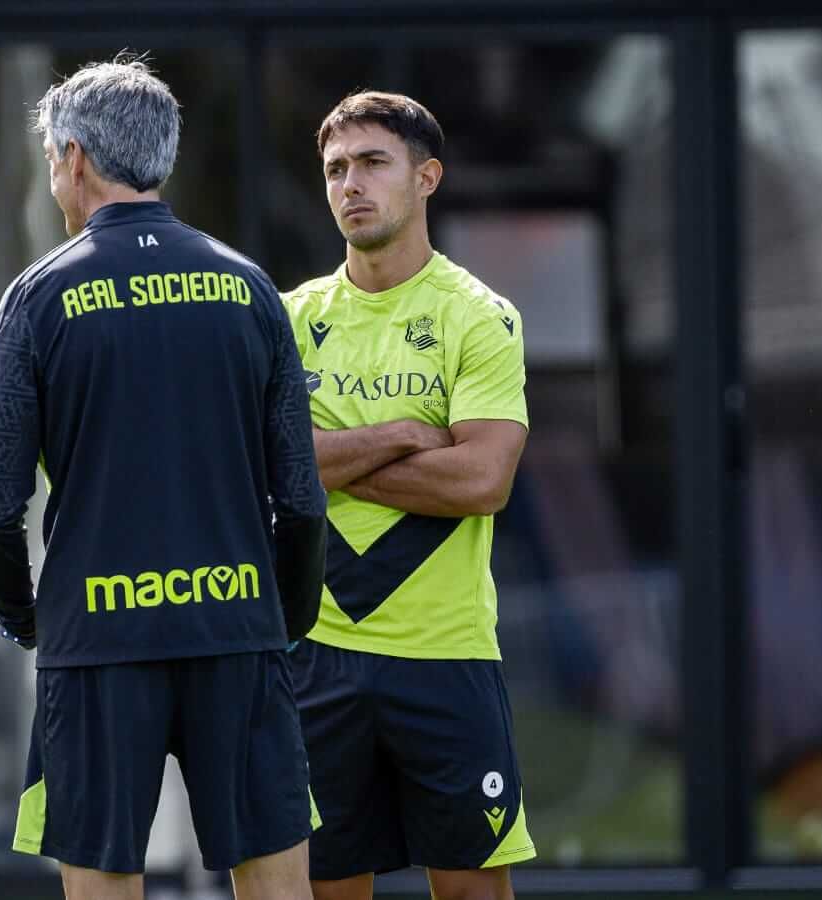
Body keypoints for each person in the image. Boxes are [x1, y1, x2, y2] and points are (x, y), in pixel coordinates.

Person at [0, 57, 328, 900]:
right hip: (236, 631)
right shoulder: (248, 289)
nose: (54, 177)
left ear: (76, 157)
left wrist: (29, 618)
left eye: (53, 160)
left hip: (97, 643)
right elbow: (301, 495)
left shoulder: (39, 297)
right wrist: (281, 617)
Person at [282, 92, 537, 900]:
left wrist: (329, 461)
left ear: (426, 178)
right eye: (335, 169)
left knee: (469, 890)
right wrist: (403, 434)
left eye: (371, 164)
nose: (350, 184)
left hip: (447, 654)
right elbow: (266, 472)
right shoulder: (287, 320)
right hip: (317, 652)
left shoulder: (479, 318)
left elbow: (482, 481)